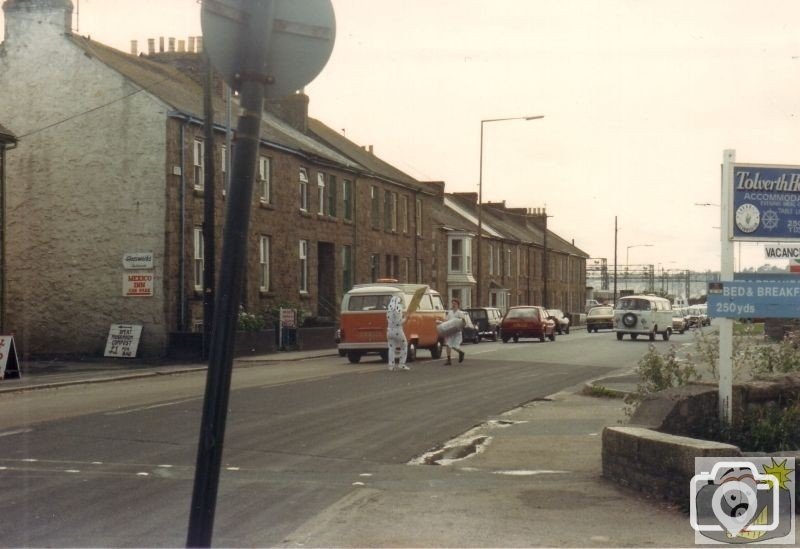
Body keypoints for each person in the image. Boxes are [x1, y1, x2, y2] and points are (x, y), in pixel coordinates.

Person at [386, 295, 409, 371]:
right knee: (404, 345)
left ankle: (391, 366)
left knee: (391, 348)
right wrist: (405, 319)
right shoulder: (398, 309)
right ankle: (402, 363)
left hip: (389, 331)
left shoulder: (389, 310)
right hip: (397, 331)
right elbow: (398, 322)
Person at [443, 298, 466, 365]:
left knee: (454, 346)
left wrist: (461, 326)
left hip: (457, 332)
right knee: (448, 344)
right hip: (450, 331)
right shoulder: (450, 312)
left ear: (458, 305)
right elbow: (446, 320)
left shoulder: (460, 313)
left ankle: (461, 352)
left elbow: (463, 322)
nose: (453, 305)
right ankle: (449, 360)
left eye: (454, 304)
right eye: (452, 303)